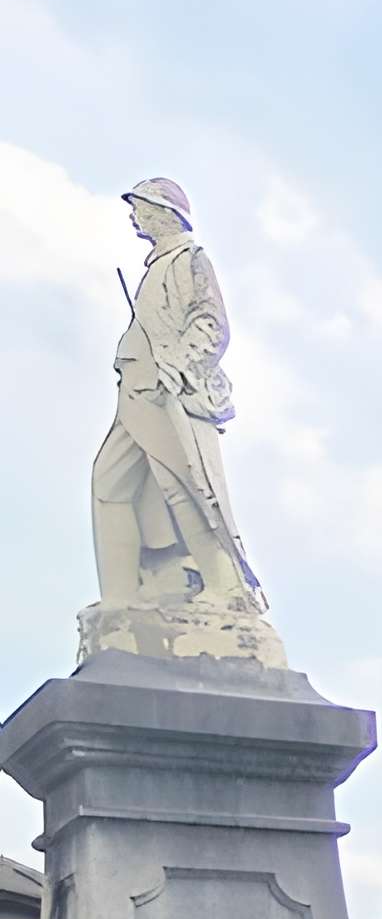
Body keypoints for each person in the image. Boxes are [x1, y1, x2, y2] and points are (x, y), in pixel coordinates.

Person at [89, 177, 266, 615]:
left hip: (164, 388)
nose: (135, 218)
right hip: (136, 388)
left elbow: (211, 324)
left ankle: (225, 587)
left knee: (184, 484)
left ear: (164, 212)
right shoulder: (158, 264)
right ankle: (121, 598)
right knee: (109, 483)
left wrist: (179, 367)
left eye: (141, 209)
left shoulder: (189, 259)